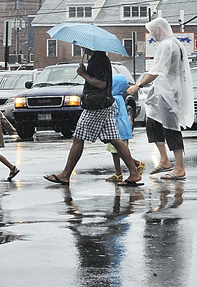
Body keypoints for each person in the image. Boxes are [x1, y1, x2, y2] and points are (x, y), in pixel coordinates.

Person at [44, 49, 143, 186]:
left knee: (78, 138)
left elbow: (101, 83)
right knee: (115, 140)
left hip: (96, 105)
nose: (82, 48)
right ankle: (134, 173)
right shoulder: (99, 59)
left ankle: (65, 174)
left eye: (83, 45)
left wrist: (83, 74)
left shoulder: (98, 60)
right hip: (104, 103)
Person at [126, 17, 194, 180]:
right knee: (153, 124)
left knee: (171, 128)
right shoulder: (174, 43)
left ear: (158, 29)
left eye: (152, 31)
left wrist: (138, 85)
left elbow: (157, 70)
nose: (151, 35)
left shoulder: (167, 45)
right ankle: (164, 160)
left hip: (169, 93)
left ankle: (179, 168)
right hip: (162, 92)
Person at [105, 73, 146, 182]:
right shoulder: (119, 97)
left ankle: (137, 164)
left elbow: (114, 112)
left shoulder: (114, 98)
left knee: (119, 152)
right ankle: (118, 173)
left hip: (117, 129)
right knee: (115, 152)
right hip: (121, 128)